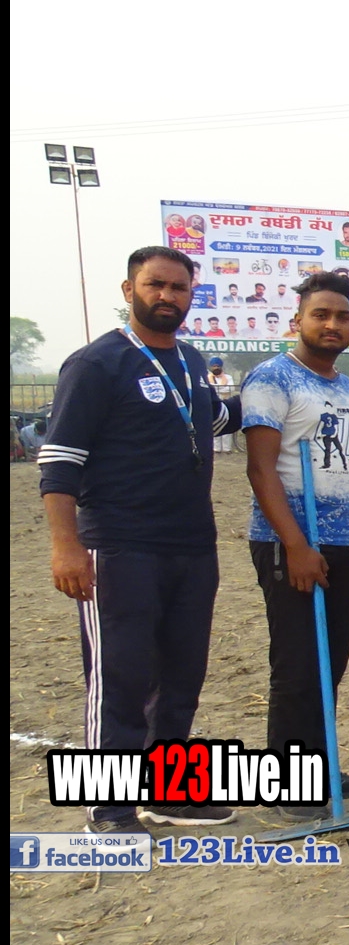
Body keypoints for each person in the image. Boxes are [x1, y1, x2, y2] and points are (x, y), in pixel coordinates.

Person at [39, 246, 242, 833]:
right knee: (121, 677)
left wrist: (273, 393)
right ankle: (109, 809)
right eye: (155, 285)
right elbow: (59, 461)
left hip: (192, 545)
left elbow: (212, 420)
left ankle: (168, 792)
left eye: (179, 287)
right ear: (129, 291)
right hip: (119, 546)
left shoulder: (191, 360)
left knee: (182, 675)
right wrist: (66, 546)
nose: (167, 296)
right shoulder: (96, 363)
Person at [242, 269, 349, 819]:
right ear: (297, 321)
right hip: (291, 539)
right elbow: (261, 470)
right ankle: (287, 784)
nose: (332, 324)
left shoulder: (346, 386)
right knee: (297, 664)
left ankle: (319, 765)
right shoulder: (272, 378)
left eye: (342, 316)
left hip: (343, 539)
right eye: (321, 315)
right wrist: (295, 544)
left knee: (330, 662)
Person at [207, 356, 237, 453]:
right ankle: (216, 448)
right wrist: (220, 389)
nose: (216, 368)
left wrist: (216, 389)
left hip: (226, 404)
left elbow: (231, 388)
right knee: (215, 425)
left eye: (217, 366)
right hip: (214, 405)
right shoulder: (207, 377)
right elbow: (209, 390)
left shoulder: (228, 377)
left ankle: (227, 448)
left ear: (221, 367)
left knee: (227, 426)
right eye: (214, 366)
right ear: (211, 367)